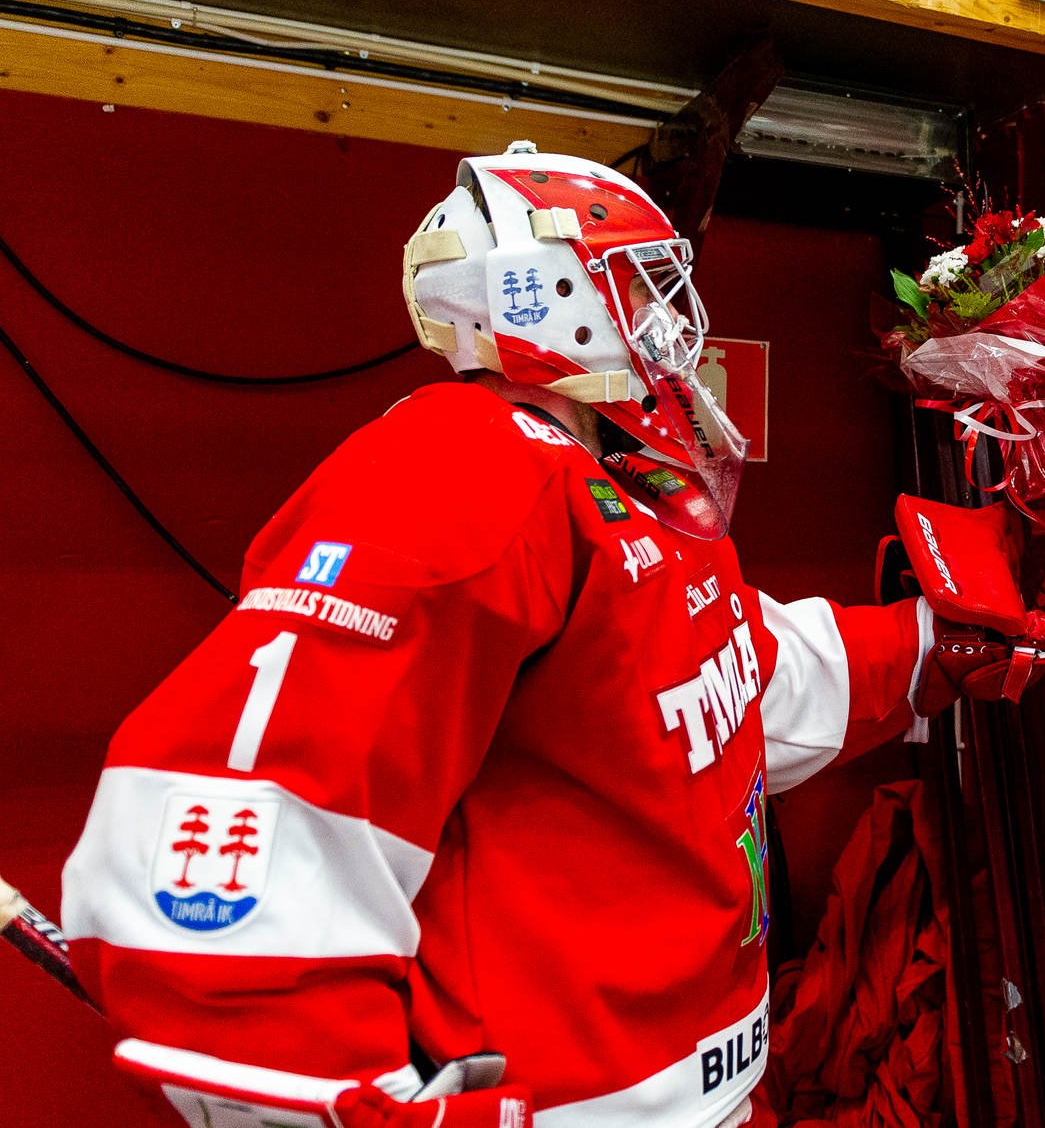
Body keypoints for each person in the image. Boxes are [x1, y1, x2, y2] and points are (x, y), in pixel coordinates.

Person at [59, 144, 969, 1128]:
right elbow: (256, 785)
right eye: (640, 283)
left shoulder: (622, 476)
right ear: (542, 291)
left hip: (714, 1090)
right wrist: (318, 1089)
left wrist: (930, 647)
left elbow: (722, 690)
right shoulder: (465, 464)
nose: (670, 320)